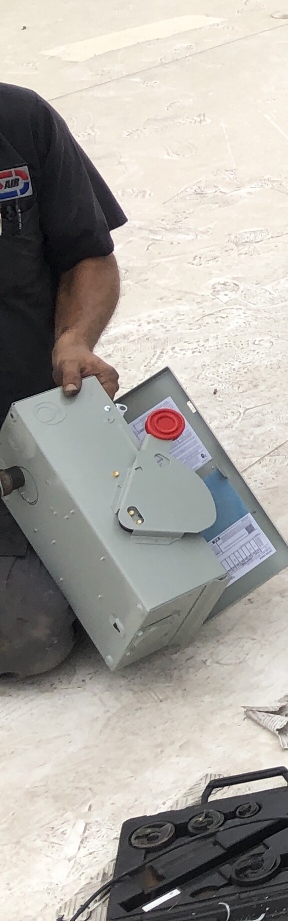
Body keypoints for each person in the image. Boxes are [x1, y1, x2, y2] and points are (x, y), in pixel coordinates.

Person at [0, 84, 125, 680]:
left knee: (176, 556)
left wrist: (74, 342)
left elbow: (88, 257)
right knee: (34, 633)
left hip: (39, 433)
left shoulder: (20, 121)